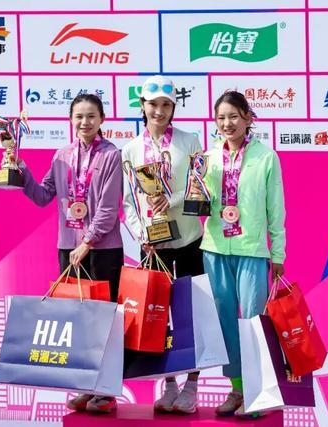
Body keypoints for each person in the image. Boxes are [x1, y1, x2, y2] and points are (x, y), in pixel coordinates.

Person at [18, 93, 123, 414]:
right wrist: (18, 167)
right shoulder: (61, 155)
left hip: (102, 250)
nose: (84, 122)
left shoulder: (112, 155)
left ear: (102, 119)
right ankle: (85, 386)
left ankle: (105, 391)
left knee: (104, 321)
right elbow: (42, 195)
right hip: (68, 248)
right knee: (77, 321)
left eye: (91, 116)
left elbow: (109, 208)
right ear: (71, 119)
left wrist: (87, 242)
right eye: (79, 116)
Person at [121, 75, 204, 414]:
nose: (159, 111)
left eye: (166, 105)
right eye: (153, 104)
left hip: (189, 240)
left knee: (191, 314)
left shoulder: (189, 141)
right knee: (157, 315)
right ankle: (169, 383)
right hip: (152, 246)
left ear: (173, 107)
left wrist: (171, 199)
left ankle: (193, 386)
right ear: (142, 105)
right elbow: (128, 201)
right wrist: (141, 234)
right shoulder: (130, 149)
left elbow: (200, 186)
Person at [200, 91, 286, 418]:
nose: (227, 123)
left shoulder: (266, 157)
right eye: (221, 118)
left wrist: (277, 253)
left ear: (248, 118)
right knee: (224, 323)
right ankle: (236, 389)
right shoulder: (208, 158)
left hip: (251, 250)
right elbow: (201, 200)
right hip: (215, 248)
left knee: (253, 323)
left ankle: (257, 391)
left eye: (233, 116)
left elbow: (275, 209)